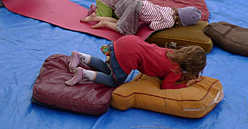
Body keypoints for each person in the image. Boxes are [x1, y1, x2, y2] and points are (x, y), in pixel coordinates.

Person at [64, 36, 206, 89]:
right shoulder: (176, 70)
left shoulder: (172, 53)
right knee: (115, 82)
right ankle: (84, 74)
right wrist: (187, 84)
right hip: (131, 55)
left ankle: (79, 56)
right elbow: (166, 86)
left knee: (109, 68)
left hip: (128, 41)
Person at [82, 1, 201, 36]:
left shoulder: (169, 9)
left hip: (136, 2)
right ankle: (106, 23)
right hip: (136, 9)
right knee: (127, 31)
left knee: (122, 21)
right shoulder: (169, 22)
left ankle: (95, 17)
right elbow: (153, 25)